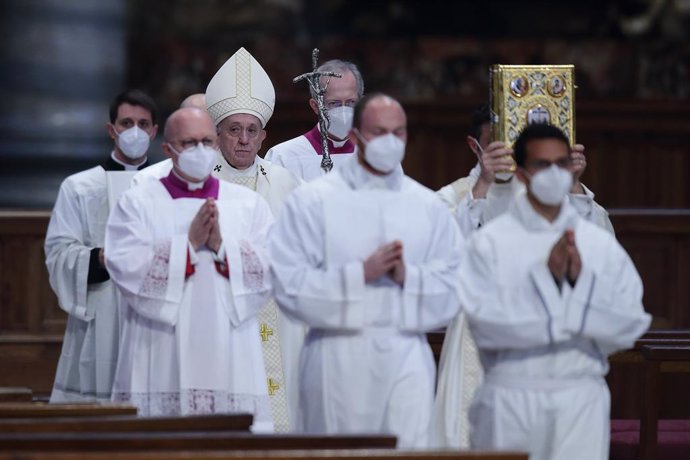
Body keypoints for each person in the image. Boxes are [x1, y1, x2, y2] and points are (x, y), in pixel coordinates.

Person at [270, 93, 464, 448]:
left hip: (405, 355)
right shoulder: (313, 200)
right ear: (357, 136)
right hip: (336, 356)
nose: (390, 142)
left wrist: (410, 277)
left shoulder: (426, 206)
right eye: (379, 132)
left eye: (398, 133)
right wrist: (360, 274)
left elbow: (454, 285)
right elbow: (288, 285)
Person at [455, 123, 651, 460]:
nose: (554, 173)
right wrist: (552, 284)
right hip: (512, 395)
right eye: (542, 165)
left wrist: (573, 285)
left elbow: (629, 322)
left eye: (561, 164)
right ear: (521, 174)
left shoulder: (596, 241)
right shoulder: (491, 242)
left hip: (579, 393)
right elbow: (488, 325)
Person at [132, 48, 303, 432]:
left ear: (264, 135)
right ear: (217, 133)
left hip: (279, 322)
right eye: (233, 129)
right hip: (215, 321)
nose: (243, 140)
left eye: (252, 130)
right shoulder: (189, 180)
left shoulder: (288, 184)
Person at [105, 107, 274, 430]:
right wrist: (188, 245)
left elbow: (271, 267)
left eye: (208, 142)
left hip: (229, 342)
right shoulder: (138, 202)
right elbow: (124, 265)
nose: (201, 151)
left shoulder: (248, 204)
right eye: (189, 143)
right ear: (168, 149)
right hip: (160, 343)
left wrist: (223, 247)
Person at [45, 89, 158, 402]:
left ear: (154, 132)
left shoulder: (166, 185)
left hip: (154, 314)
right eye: (126, 123)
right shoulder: (80, 187)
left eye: (143, 124)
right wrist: (100, 259)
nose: (135, 131)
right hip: (100, 312)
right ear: (112, 130)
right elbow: (57, 253)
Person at [264, 59, 364, 181]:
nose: (343, 111)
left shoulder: (374, 154)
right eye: (334, 103)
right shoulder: (284, 156)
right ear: (315, 106)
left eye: (351, 102)